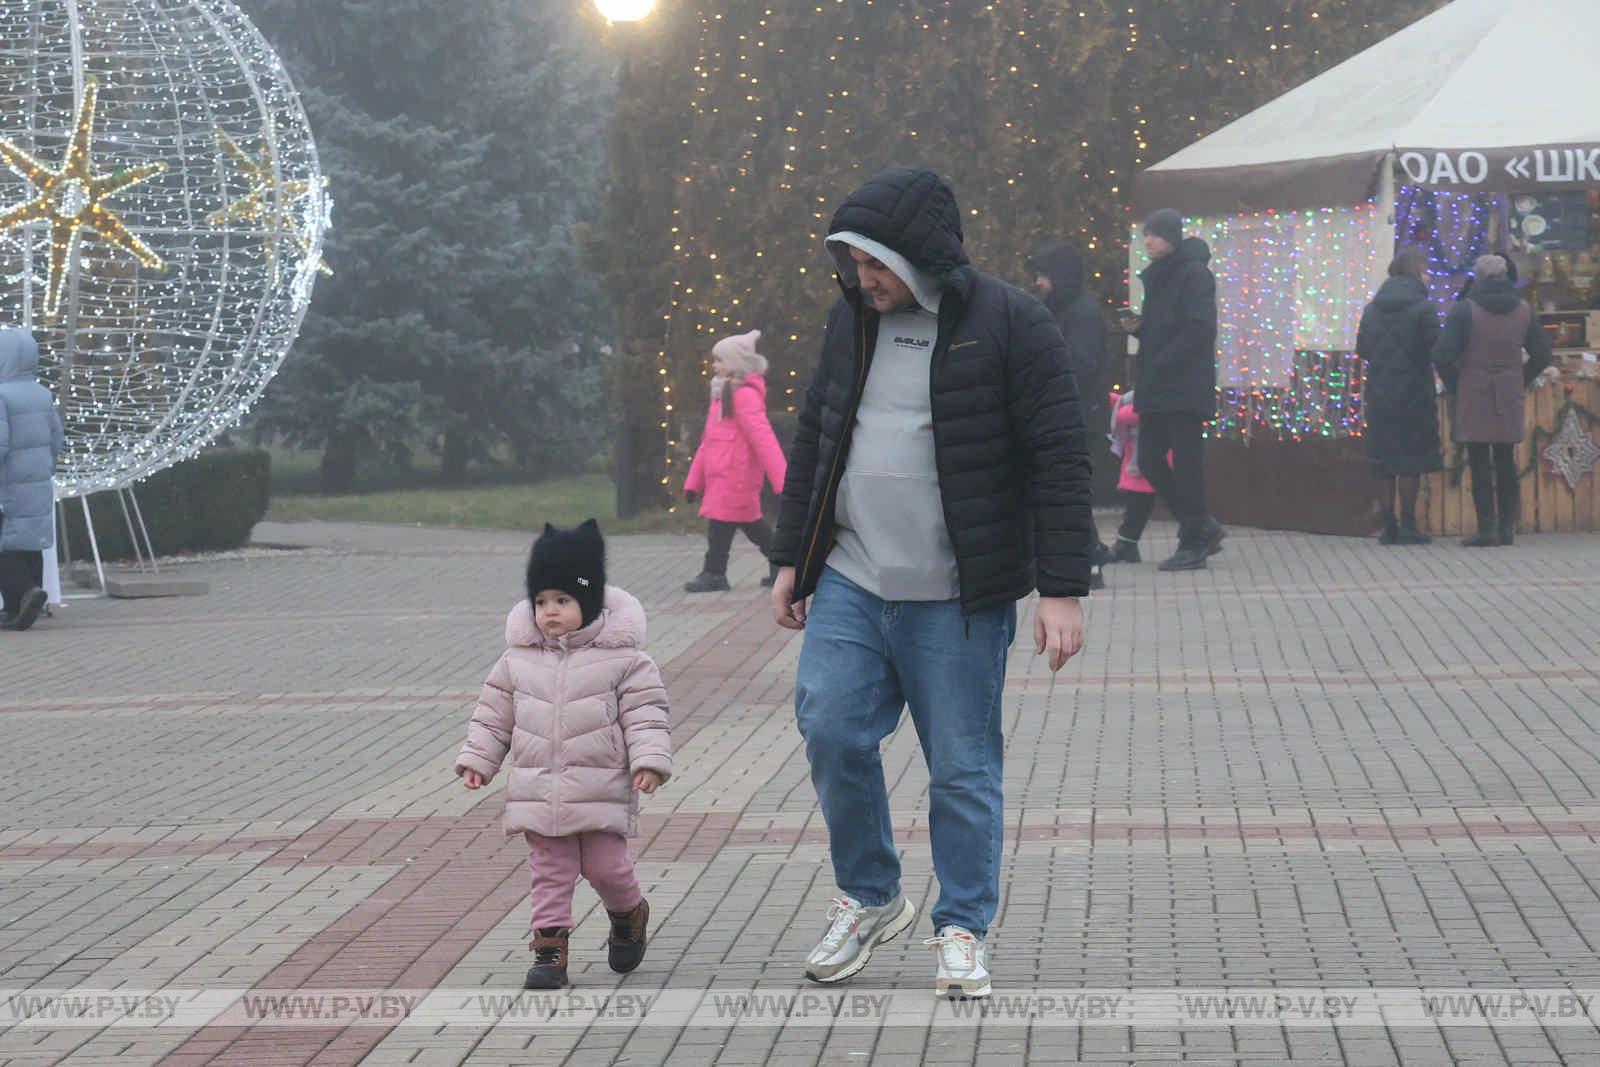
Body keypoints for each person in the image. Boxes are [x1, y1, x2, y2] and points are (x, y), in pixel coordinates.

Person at [769, 165, 1093, 999]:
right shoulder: (851, 322)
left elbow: (1060, 455)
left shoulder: (1012, 323)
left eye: (875, 263)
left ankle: (962, 927)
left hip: (958, 596)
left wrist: (1061, 586)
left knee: (960, 767)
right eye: (853, 263)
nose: (862, 279)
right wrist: (791, 557)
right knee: (831, 727)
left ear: (919, 256)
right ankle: (871, 893)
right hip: (853, 578)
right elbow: (817, 433)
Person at [455, 520, 673, 989]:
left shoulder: (625, 660)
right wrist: (478, 759)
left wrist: (649, 762)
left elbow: (646, 715)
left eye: (562, 600)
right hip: (539, 791)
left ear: (588, 601)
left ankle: (629, 914)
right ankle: (549, 952)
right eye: (540, 602)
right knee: (550, 873)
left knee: (607, 869)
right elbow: (493, 715)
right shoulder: (517, 659)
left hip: (599, 789)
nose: (549, 611)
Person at [1119, 208, 1225, 571]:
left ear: (1172, 237)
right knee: (1149, 459)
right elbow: (1164, 327)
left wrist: (1163, 358)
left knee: (1187, 463)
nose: (1148, 241)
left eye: (1155, 234)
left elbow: (1200, 328)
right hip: (1157, 385)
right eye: (1145, 235)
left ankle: (1194, 540)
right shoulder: (1158, 275)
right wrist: (1139, 330)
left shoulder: (1194, 274)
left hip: (1184, 386)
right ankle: (1200, 525)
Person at [1432, 254, 1553, 547]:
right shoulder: (1523, 309)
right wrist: (1519, 378)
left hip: (1473, 389)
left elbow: (1442, 356)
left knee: (1479, 460)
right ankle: (1506, 528)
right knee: (1505, 458)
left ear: (1478, 277)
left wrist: (1458, 385)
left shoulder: (1464, 310)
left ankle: (1486, 528)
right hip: (1508, 390)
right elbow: (1542, 354)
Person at [683, 329, 787, 593]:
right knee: (751, 525)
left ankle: (714, 573)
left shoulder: (743, 396)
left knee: (721, 525)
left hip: (737, 476)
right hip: (723, 475)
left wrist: (783, 481)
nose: (714, 365)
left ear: (735, 364)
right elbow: (709, 442)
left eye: (720, 360)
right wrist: (694, 482)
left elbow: (763, 439)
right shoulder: (722, 394)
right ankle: (783, 565)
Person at [1030, 241, 1109, 588]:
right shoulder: (1060, 310)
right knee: (1064, 488)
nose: (1038, 283)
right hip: (1063, 411)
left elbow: (1081, 365)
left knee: (1069, 488)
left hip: (1079, 414)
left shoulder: (1083, 314)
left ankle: (1089, 557)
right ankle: (1089, 553)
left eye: (1043, 275)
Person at [1356, 248, 1443, 545]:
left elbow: (1363, 349)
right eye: (1426, 270)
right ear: (1416, 272)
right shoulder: (1424, 308)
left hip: (1380, 393)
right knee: (1410, 460)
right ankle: (1408, 524)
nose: (1429, 276)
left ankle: (1389, 526)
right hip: (1414, 392)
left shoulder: (1372, 309)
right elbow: (1437, 347)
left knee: (1385, 461)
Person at [0, 328, 64, 632]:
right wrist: (46, 466)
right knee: (29, 541)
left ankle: (25, 593)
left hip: (7, 483)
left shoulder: (1, 394)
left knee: (4, 543)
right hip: (37, 480)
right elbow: (56, 437)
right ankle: (22, 606)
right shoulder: (42, 394)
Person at [1105, 389, 1158, 562]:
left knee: (1139, 503)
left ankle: (1126, 543)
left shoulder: (1138, 396)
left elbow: (1132, 415)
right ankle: (1126, 543)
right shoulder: (1130, 397)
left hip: (1144, 460)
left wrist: (1119, 409)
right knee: (1138, 503)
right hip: (1138, 461)